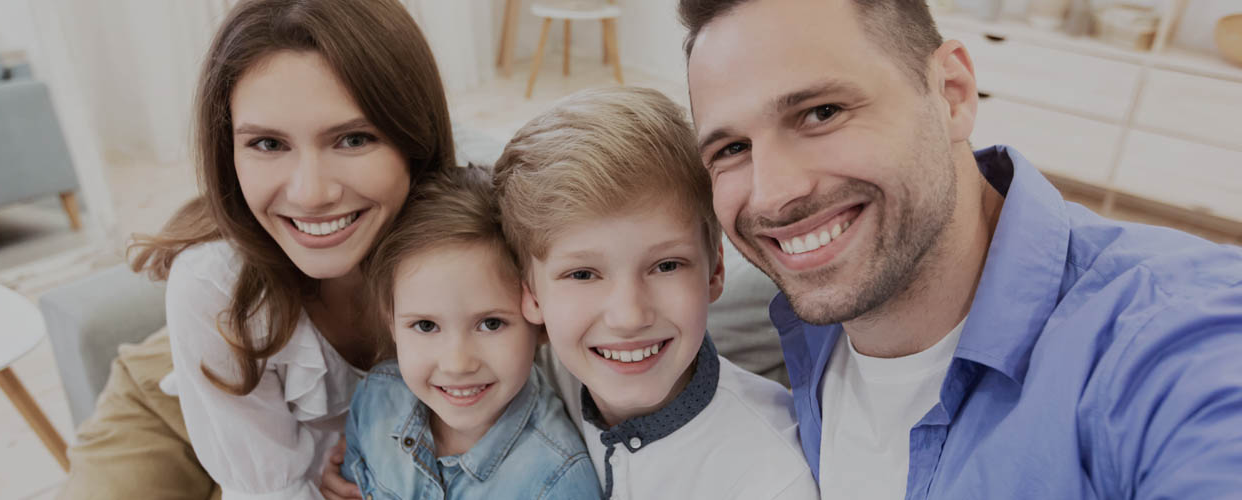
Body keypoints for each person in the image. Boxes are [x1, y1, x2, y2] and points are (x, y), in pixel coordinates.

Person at [679, 0, 1242, 498]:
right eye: (731, 148)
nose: (773, 194)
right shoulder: (798, 319)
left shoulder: (1173, 340)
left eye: (821, 113)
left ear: (952, 93)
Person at [59, 0, 454, 498]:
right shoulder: (211, 282)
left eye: (353, 139)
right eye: (268, 144)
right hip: (189, 383)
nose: (311, 194)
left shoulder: (471, 241)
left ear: (417, 140)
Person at [493, 87, 819, 499]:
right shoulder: (538, 377)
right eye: (583, 274)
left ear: (715, 270)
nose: (629, 316)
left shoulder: (771, 478)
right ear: (531, 295)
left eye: (666, 266)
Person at [340, 166, 602, 499]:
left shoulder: (558, 480)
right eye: (426, 326)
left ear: (539, 320)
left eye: (491, 324)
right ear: (390, 321)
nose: (457, 364)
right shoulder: (375, 398)